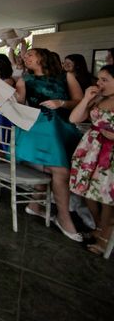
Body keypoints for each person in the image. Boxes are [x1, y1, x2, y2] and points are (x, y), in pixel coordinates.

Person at [15, 48, 83, 241]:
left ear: (42, 57)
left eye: (29, 54)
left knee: (54, 168)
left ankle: (35, 205)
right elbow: (19, 102)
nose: (25, 58)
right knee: (60, 171)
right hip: (39, 128)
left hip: (63, 127)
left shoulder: (65, 76)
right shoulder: (25, 79)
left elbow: (78, 100)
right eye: (24, 56)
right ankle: (63, 217)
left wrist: (61, 103)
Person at [69, 65, 114, 254]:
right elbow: (74, 118)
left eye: (105, 80)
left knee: (104, 195)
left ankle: (105, 236)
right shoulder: (98, 99)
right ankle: (97, 226)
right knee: (84, 188)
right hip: (91, 148)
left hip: (109, 153)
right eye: (99, 79)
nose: (99, 83)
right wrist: (87, 98)